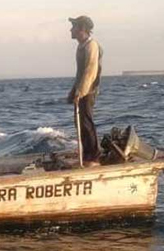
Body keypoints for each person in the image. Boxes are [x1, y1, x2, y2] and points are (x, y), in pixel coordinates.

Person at [68, 15, 103, 166]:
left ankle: (93, 156)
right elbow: (79, 72)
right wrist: (73, 90)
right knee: (79, 122)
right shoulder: (81, 46)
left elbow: (90, 71)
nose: (71, 30)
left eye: (74, 26)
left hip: (88, 90)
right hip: (81, 89)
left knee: (86, 121)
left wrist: (81, 91)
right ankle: (86, 153)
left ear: (81, 29)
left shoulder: (91, 45)